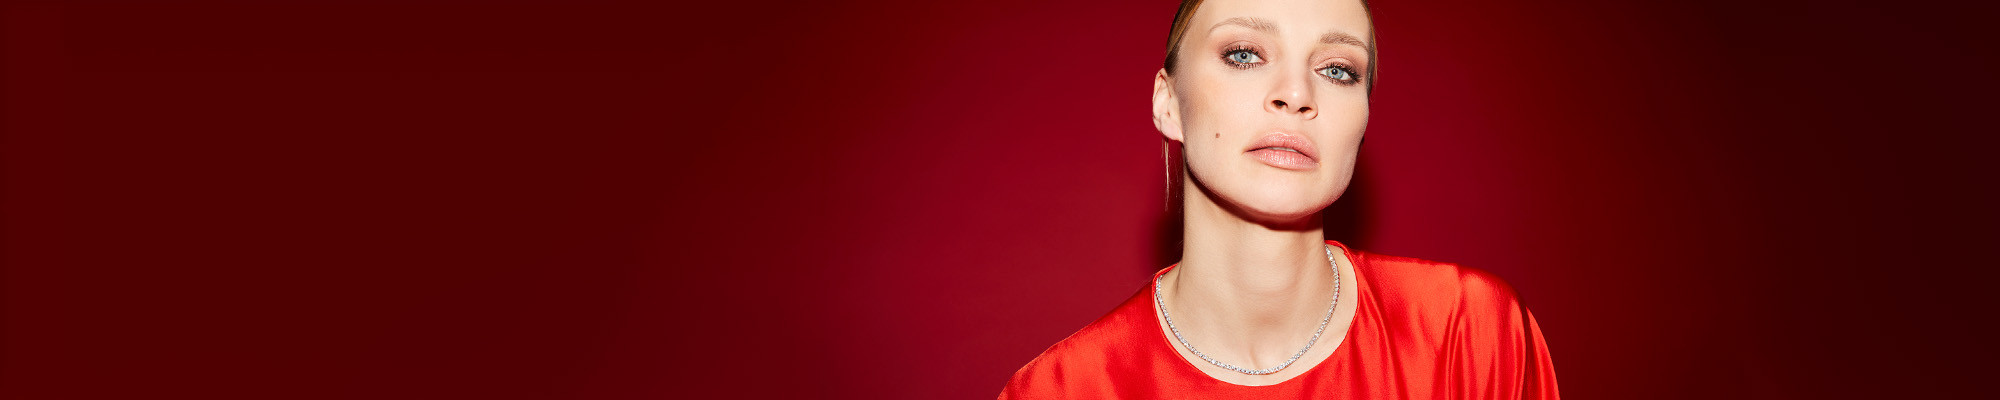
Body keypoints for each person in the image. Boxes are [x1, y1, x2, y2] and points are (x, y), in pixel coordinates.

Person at [999, 0, 1558, 397]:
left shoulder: (1469, 334)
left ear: (1363, 121)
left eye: (1337, 69)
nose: (1296, 93)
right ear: (1168, 104)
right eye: (1245, 54)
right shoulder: (1060, 389)